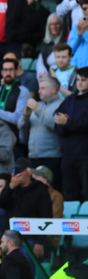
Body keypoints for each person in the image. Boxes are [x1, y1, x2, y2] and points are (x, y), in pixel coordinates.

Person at [54, 67, 88, 204]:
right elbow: (57, 123)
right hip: (68, 155)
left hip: (85, 155)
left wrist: (67, 123)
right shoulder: (69, 100)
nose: (79, 83)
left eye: (83, 80)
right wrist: (65, 125)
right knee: (69, 195)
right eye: (78, 80)